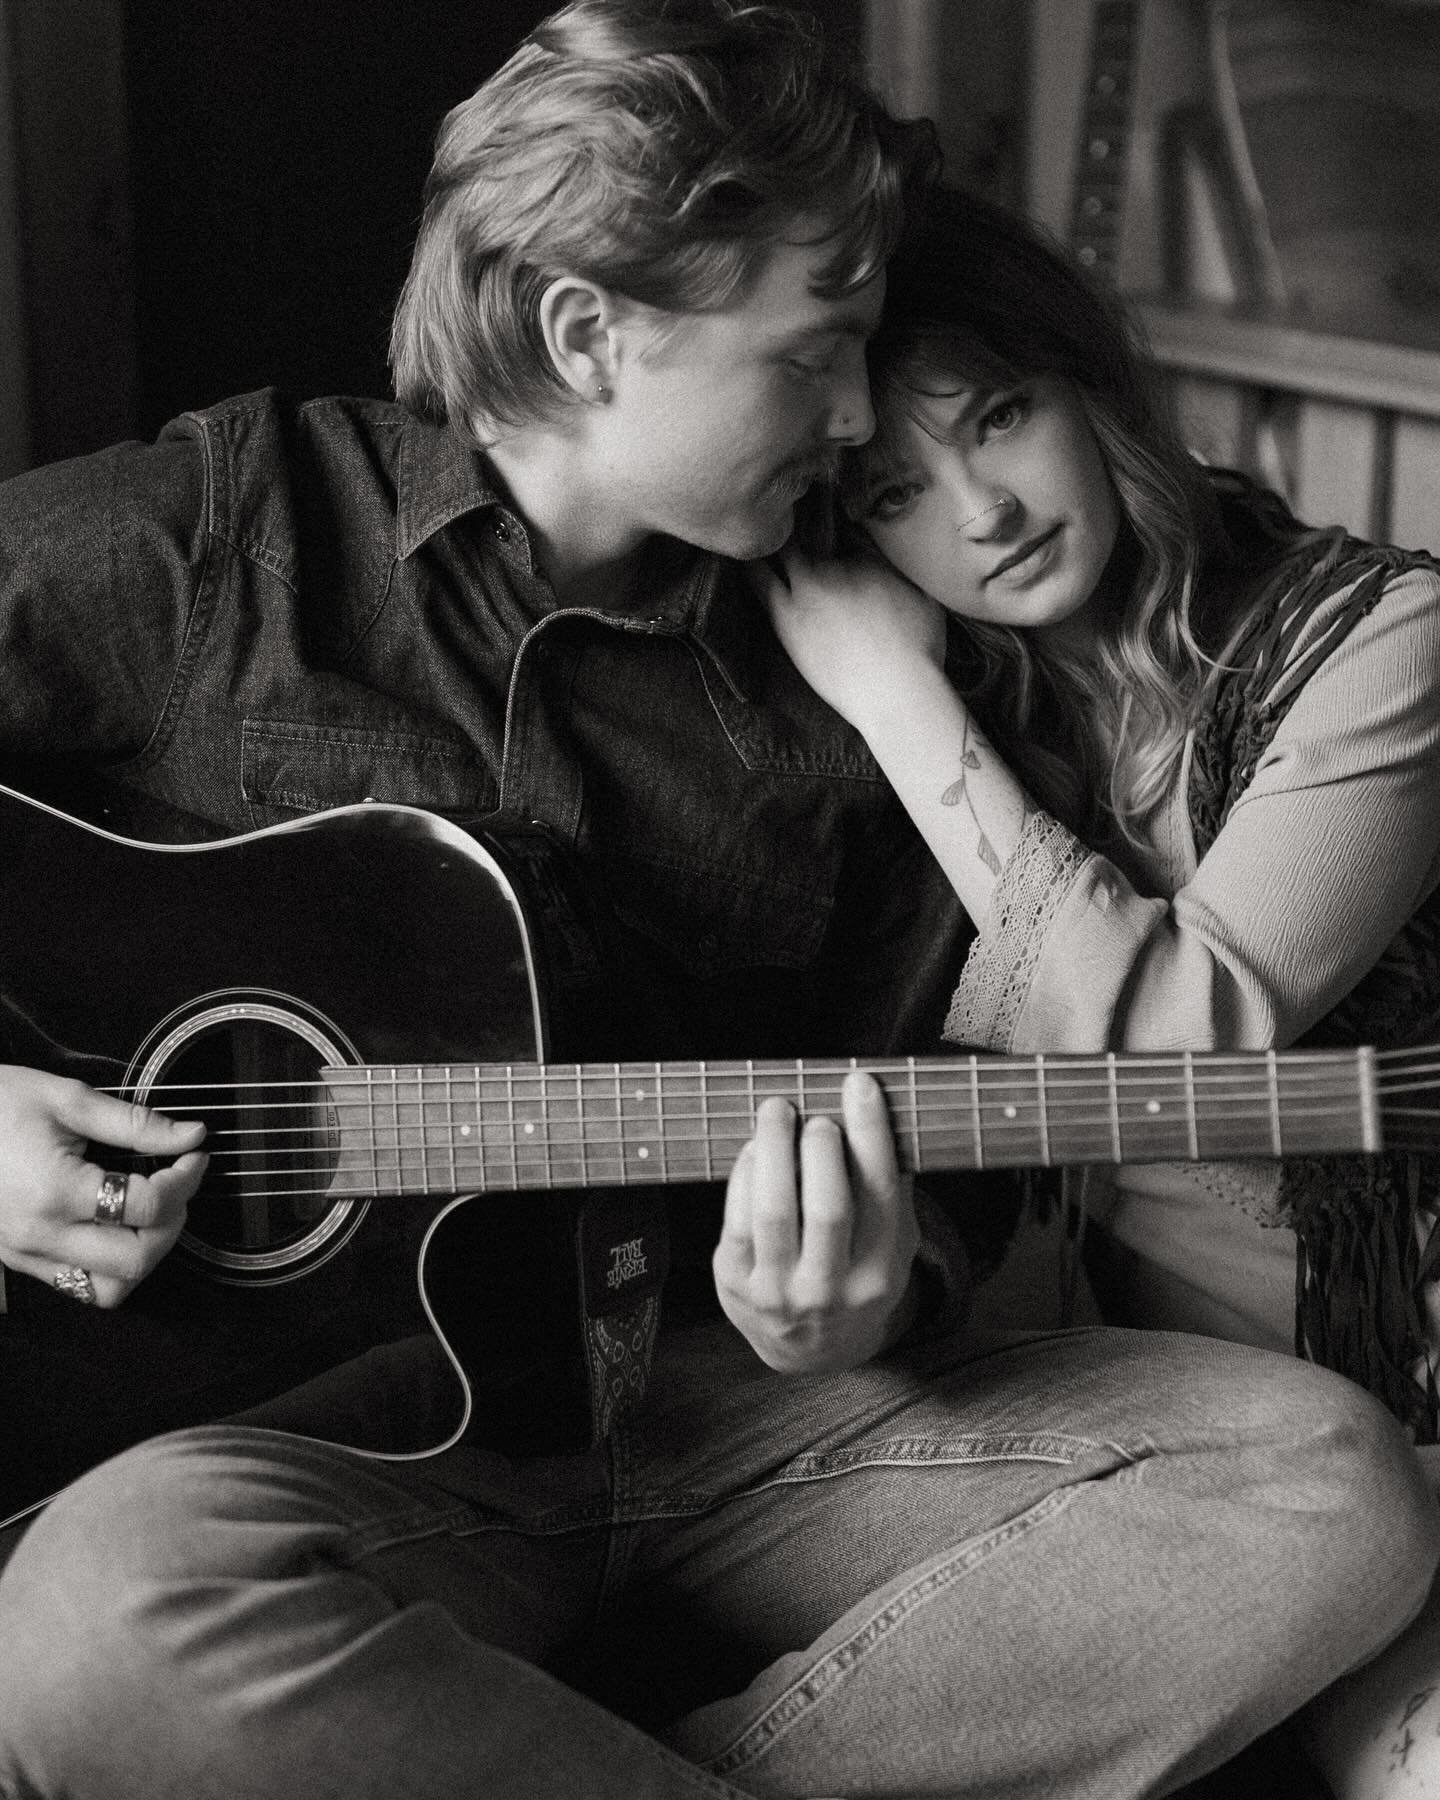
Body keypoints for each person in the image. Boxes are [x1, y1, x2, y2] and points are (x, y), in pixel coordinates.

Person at [0, 12, 1435, 1798]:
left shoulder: (871, 658)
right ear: (591, 333)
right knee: (88, 1625)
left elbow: (943, 1210)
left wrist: (858, 1303)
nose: (853, 425)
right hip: (324, 1457)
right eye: (818, 358)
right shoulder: (239, 543)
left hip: (719, 1420)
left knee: (1327, 1482)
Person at [756, 180, 1440, 1796]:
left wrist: (896, 704)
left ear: (1094, 390)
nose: (981, 512)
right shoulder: (969, 738)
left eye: (1000, 418)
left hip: (1406, 1403)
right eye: (897, 492)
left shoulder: (1387, 637)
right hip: (1164, 1435)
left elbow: (1183, 1043)